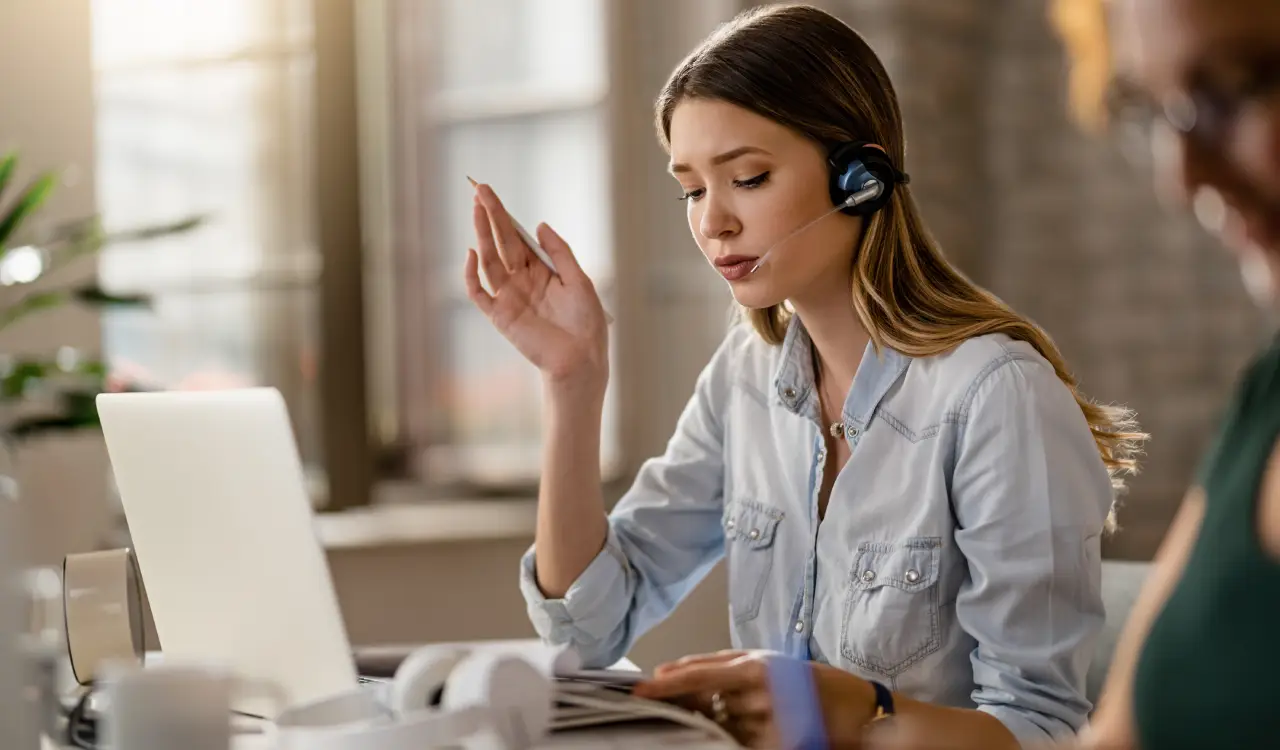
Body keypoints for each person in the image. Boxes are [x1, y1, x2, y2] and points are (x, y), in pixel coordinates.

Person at [464, 4, 1146, 748]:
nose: (712, 222)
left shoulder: (995, 397)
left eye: (748, 178)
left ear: (860, 175)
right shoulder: (745, 379)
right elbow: (586, 628)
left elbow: (1041, 729)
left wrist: (856, 713)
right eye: (692, 189)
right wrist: (573, 382)